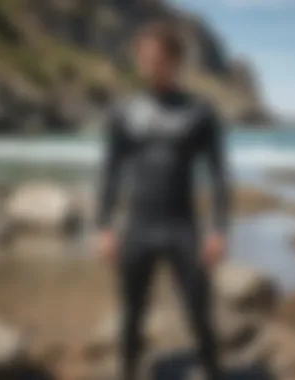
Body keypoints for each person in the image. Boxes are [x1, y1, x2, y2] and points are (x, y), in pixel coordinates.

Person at [95, 20, 230, 380]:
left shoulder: (200, 112)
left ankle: (214, 371)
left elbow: (218, 176)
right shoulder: (124, 112)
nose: (148, 66)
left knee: (199, 312)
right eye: (143, 58)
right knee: (132, 314)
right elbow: (111, 172)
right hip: (138, 228)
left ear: (174, 60)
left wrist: (218, 229)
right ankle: (127, 372)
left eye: (155, 58)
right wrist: (104, 227)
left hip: (182, 228)